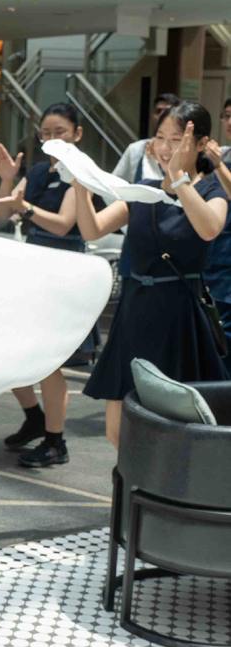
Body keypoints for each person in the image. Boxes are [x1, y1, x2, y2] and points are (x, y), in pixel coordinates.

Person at [76, 101, 228, 447]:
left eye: (176, 139)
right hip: (134, 311)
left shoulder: (211, 190)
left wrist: (179, 180)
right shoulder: (144, 189)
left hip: (178, 316)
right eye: (160, 137)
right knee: (118, 431)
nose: (165, 147)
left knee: (173, 430)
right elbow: (92, 229)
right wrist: (81, 188)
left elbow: (209, 228)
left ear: (202, 144)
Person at [0, 102, 93, 468]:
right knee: (12, 352)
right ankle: (34, 417)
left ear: (77, 134)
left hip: (64, 271)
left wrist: (27, 209)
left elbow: (64, 224)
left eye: (60, 132)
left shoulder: (81, 173)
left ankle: (55, 441)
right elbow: (2, 210)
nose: (52, 139)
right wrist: (6, 177)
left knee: (49, 363)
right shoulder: (35, 172)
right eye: (45, 133)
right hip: (33, 268)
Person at [203, 112, 231, 352]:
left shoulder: (219, 160)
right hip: (212, 258)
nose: (230, 122)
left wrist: (219, 165)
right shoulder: (219, 154)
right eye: (227, 116)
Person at [113, 92, 179, 183]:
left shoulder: (185, 153)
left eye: (167, 112)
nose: (162, 116)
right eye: (158, 111)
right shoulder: (136, 149)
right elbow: (115, 183)